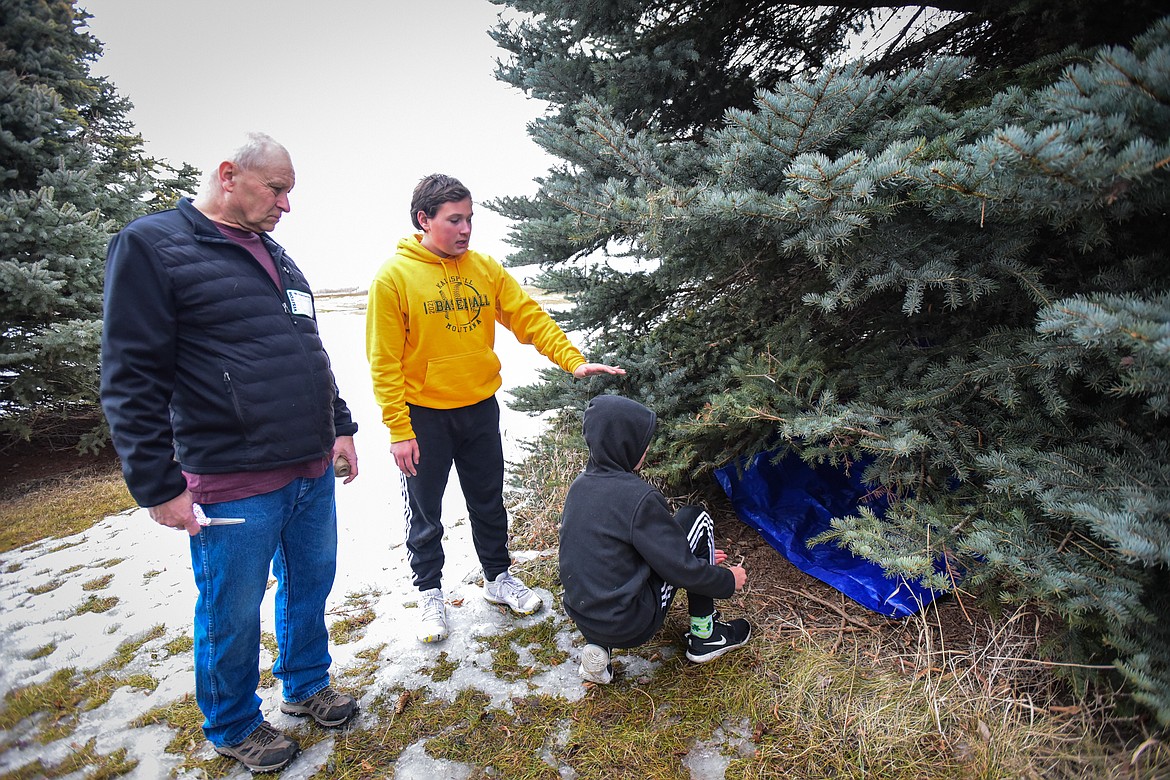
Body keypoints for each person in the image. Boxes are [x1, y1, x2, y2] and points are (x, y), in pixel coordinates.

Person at [101, 132, 359, 774]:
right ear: (227, 175)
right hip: (231, 475)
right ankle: (235, 722)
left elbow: (310, 354)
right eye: (277, 189)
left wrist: (341, 426)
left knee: (310, 583)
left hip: (308, 467)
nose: (287, 205)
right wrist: (157, 485)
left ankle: (306, 683)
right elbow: (130, 373)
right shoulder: (153, 245)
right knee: (232, 604)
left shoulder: (277, 255)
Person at [366, 173, 624, 644]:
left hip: (480, 407)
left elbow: (528, 318)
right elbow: (383, 362)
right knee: (425, 511)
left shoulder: (484, 268)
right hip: (424, 416)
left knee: (488, 500)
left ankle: (498, 579)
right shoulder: (394, 278)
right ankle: (429, 594)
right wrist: (398, 428)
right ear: (424, 219)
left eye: (470, 219)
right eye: (454, 220)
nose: (465, 229)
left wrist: (573, 360)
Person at [559, 394, 751, 684]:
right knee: (696, 518)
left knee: (606, 570)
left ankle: (597, 648)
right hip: (630, 622)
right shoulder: (639, 498)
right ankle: (706, 636)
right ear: (624, 443)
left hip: (583, 612)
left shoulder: (579, 487)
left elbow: (607, 551)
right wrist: (725, 579)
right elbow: (680, 568)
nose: (647, 447)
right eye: (642, 439)